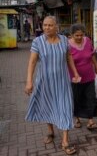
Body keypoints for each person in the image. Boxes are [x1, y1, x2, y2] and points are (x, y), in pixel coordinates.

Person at [25, 16, 80, 155]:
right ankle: (50, 131)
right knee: (48, 106)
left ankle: (65, 141)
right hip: (45, 82)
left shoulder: (64, 41)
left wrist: (75, 73)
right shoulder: (38, 42)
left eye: (50, 25)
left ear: (57, 27)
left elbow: (69, 58)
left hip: (62, 82)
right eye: (45, 25)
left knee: (65, 107)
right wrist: (29, 81)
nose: (47, 28)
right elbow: (32, 62)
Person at [68, 24, 97, 130]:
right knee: (76, 98)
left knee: (91, 98)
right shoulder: (67, 45)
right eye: (76, 35)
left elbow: (92, 55)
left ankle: (90, 121)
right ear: (71, 35)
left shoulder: (87, 41)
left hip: (89, 76)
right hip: (75, 78)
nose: (79, 37)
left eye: (81, 35)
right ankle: (77, 118)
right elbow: (67, 61)